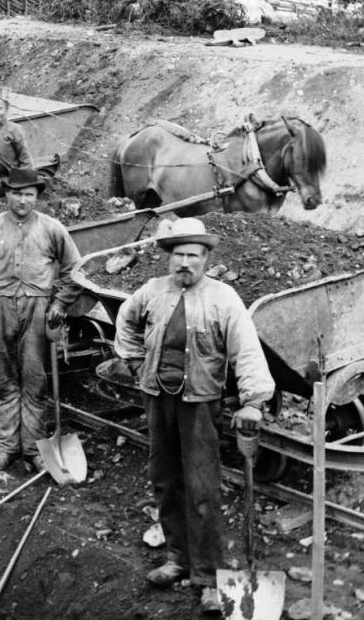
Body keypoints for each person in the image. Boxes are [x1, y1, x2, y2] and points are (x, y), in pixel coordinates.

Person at [114, 216, 274, 614]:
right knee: (165, 480)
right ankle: (176, 558)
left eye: (193, 255)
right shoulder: (151, 292)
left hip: (200, 404)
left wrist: (253, 399)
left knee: (203, 489)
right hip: (157, 399)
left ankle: (207, 576)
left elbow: (246, 350)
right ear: (168, 258)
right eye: (178, 255)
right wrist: (135, 362)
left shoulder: (223, 299)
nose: (184, 262)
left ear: (205, 259)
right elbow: (126, 321)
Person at [0, 167, 82, 475]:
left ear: (37, 197)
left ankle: (33, 449)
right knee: (2, 382)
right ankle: (7, 448)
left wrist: (60, 303)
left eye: (29, 194)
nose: (22, 200)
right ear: (6, 194)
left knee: (34, 381)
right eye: (17, 193)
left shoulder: (52, 228)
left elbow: (75, 269)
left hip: (37, 310)